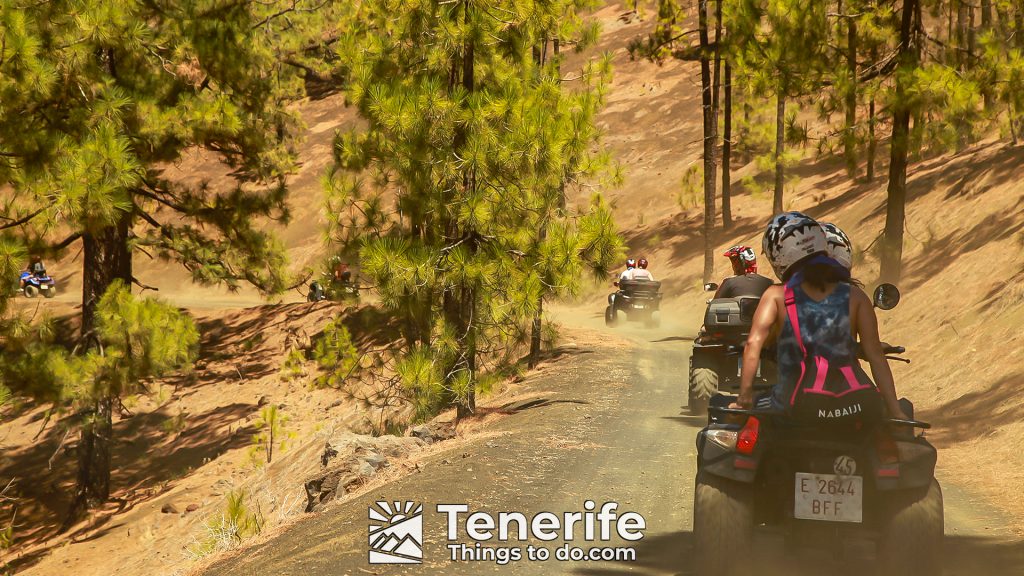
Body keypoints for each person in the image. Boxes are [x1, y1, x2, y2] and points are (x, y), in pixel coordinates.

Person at [732, 212, 908, 421]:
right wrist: (896, 412)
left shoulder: (776, 295)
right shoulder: (856, 297)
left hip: (796, 406)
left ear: (778, 254)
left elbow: (753, 343)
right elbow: (877, 358)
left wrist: (743, 399)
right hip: (854, 404)